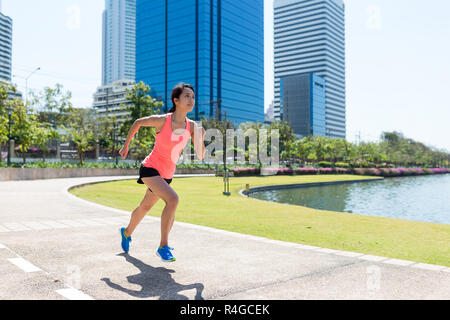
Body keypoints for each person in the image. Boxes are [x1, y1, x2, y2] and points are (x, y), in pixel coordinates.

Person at [118, 83, 206, 262]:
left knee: (145, 207)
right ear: (176, 100)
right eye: (187, 96)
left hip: (166, 175)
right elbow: (138, 123)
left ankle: (126, 233)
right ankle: (163, 246)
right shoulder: (162, 120)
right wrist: (126, 145)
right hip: (150, 168)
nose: (191, 100)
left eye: (193, 97)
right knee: (173, 200)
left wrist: (201, 138)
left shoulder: (192, 127)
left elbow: (201, 155)